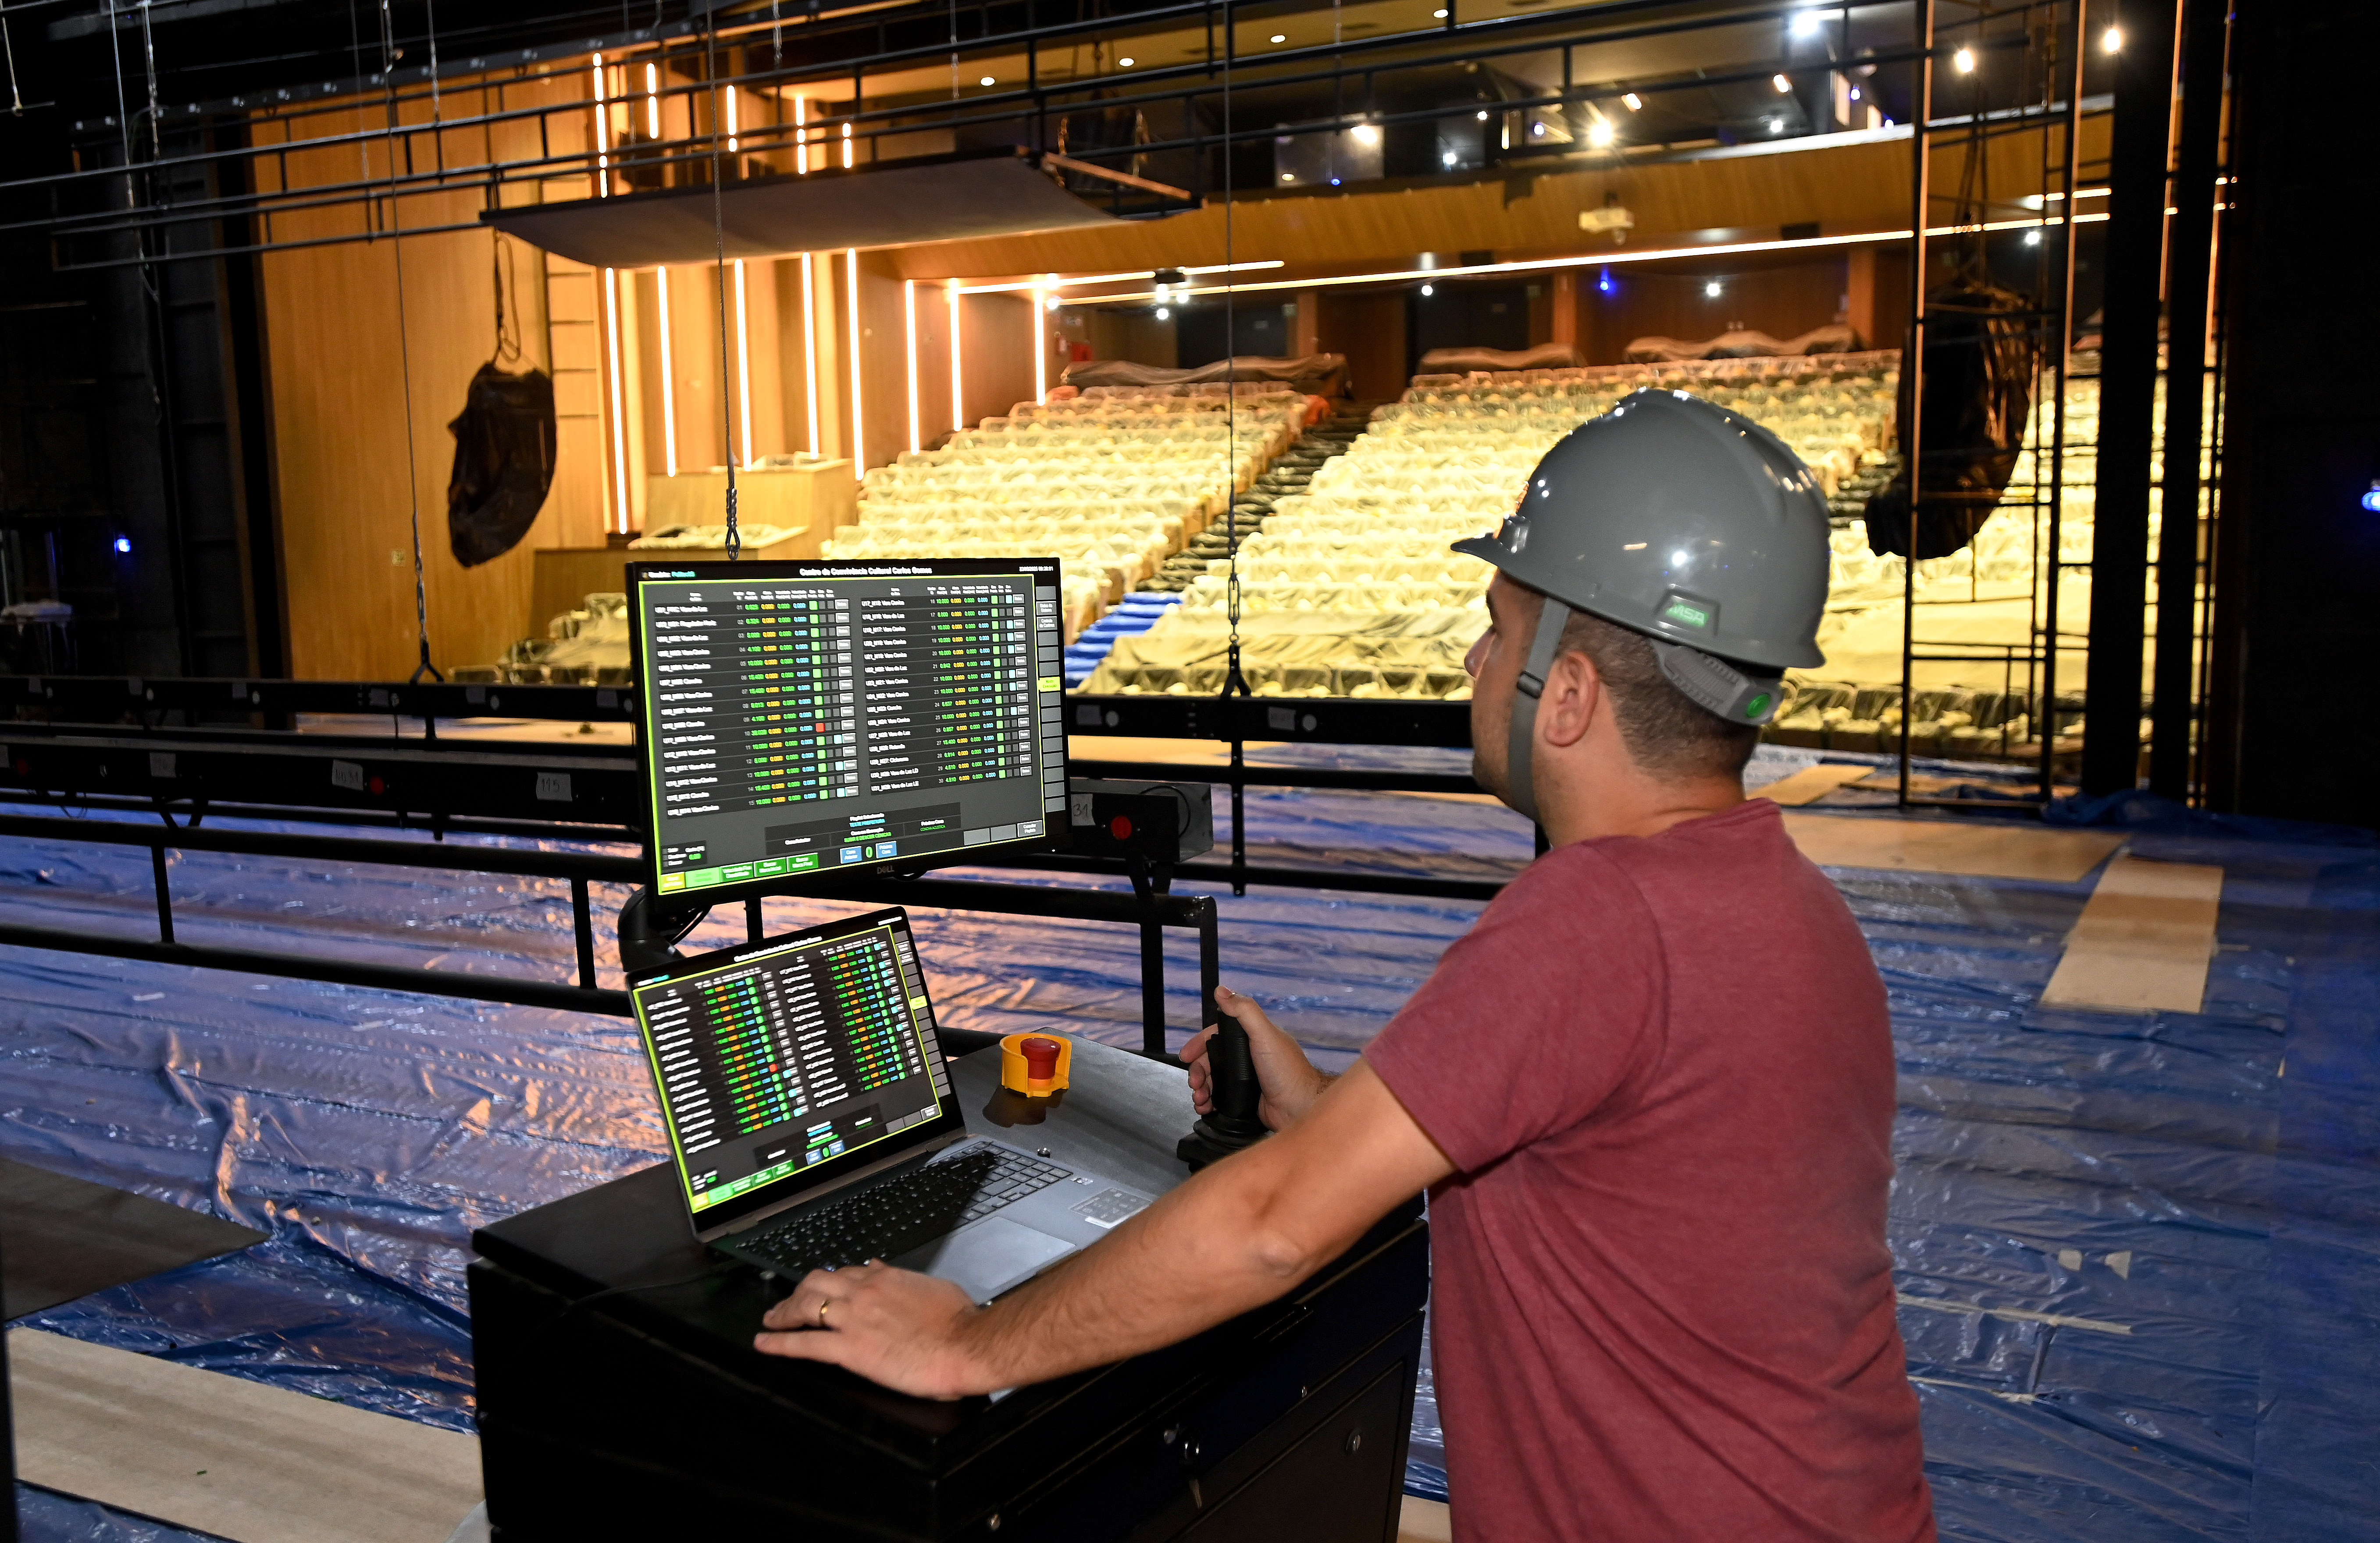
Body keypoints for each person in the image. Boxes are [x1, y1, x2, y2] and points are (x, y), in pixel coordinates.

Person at [754, 390, 1936, 1541]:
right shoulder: (1781, 898)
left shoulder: (1600, 912)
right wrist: (1321, 1112)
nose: (1475, 660)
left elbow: (1272, 1228)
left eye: (1500, 630)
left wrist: (965, 1344)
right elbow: (1605, 1172)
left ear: (1565, 695)